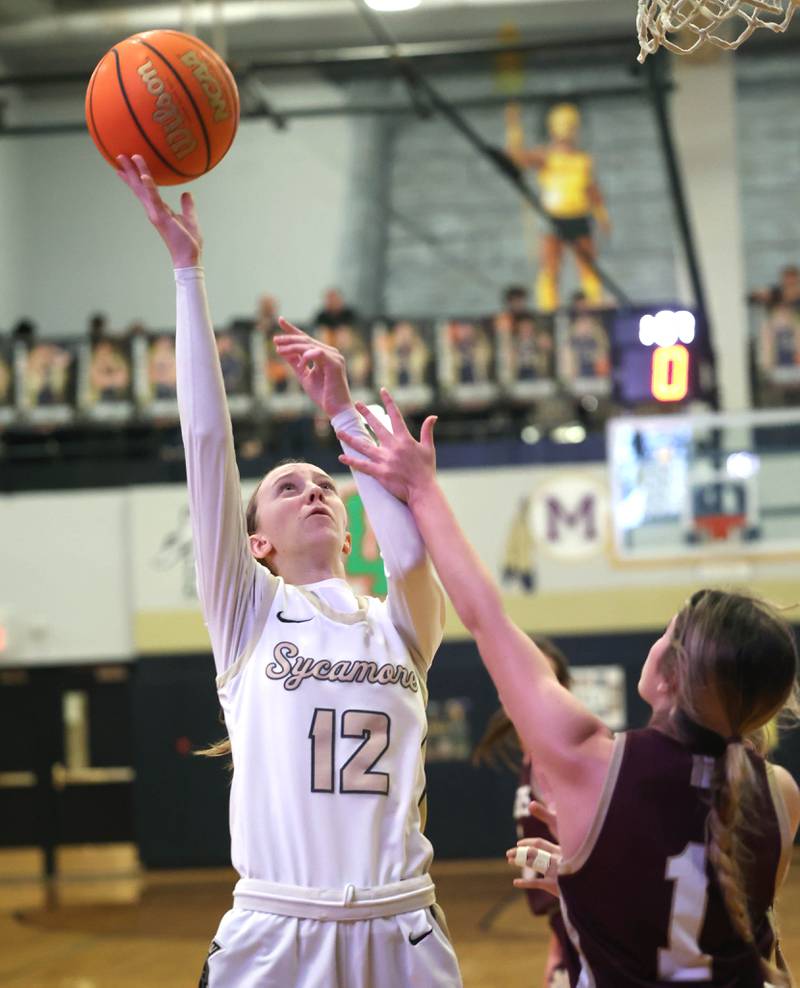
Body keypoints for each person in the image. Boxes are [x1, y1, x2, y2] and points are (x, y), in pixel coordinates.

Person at [115, 154, 462, 988]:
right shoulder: (248, 614)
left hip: (400, 927)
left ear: (349, 526)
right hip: (275, 927)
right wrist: (187, 269)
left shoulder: (400, 622)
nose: (312, 487)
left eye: (325, 483)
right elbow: (207, 449)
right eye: (284, 487)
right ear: (256, 541)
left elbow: (410, 549)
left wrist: (344, 411)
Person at [337, 390, 800, 988]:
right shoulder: (780, 795)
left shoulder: (590, 761)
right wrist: (594, 876)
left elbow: (485, 616)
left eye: (668, 632)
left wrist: (423, 487)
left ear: (668, 674)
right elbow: (716, 913)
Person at [473, 638, 580, 988]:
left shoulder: (564, 757)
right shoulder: (532, 755)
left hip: (589, 926)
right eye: (521, 676)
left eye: (543, 678)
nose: (530, 687)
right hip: (566, 921)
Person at [505, 102, 610, 313]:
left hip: (579, 216)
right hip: (553, 217)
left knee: (588, 266)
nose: (567, 131)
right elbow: (516, 157)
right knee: (551, 267)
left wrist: (601, 215)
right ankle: (548, 309)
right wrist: (514, 128)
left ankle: (595, 303)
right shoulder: (546, 155)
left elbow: (591, 189)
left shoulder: (583, 159)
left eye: (571, 125)